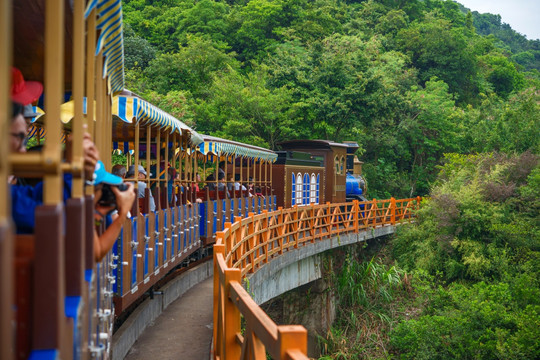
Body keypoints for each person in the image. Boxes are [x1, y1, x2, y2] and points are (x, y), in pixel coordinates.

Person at [93, 161, 135, 262]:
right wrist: (122, 214)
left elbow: (92, 224)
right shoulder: (78, 213)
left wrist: (99, 213)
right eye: (100, 188)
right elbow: (97, 254)